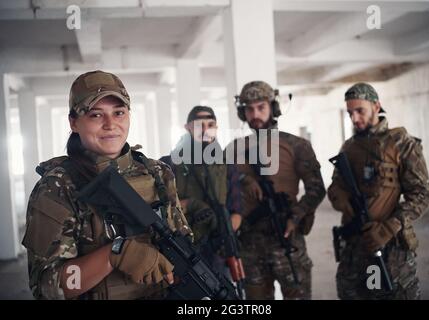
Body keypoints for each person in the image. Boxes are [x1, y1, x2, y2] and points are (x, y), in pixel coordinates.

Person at [21, 70, 192, 300]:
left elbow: (183, 243)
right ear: (73, 122)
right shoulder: (58, 186)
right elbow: (45, 286)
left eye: (118, 112)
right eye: (95, 115)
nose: (110, 124)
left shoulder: (158, 173)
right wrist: (113, 255)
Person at [328, 82, 429, 299]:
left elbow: (422, 194)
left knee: (389, 293)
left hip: (389, 250)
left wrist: (390, 226)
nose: (355, 119)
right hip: (354, 250)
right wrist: (342, 199)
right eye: (350, 113)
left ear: (376, 106)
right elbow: (335, 186)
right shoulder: (349, 147)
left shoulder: (402, 143)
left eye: (360, 111)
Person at [229, 81, 326, 299]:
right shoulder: (233, 149)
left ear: (273, 108)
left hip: (287, 238)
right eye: (249, 109)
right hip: (249, 243)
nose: (255, 114)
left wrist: (296, 216)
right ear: (242, 112)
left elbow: (317, 189)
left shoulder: (296, 145)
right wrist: (244, 180)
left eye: (261, 107)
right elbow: (223, 187)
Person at [160, 106, 243, 288]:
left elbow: (236, 211)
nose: (205, 130)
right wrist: (189, 205)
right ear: (187, 127)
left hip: (217, 248)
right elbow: (160, 211)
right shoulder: (168, 164)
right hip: (183, 247)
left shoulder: (227, 165)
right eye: (199, 125)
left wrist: (225, 233)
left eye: (210, 124)